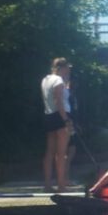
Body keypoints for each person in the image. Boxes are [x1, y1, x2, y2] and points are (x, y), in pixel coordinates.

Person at [41, 57, 72, 192]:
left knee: (49, 152)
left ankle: (48, 184)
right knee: (61, 153)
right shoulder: (58, 80)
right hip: (61, 115)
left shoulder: (45, 80)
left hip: (48, 114)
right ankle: (61, 186)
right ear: (61, 68)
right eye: (66, 68)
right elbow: (58, 100)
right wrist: (66, 120)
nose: (68, 70)